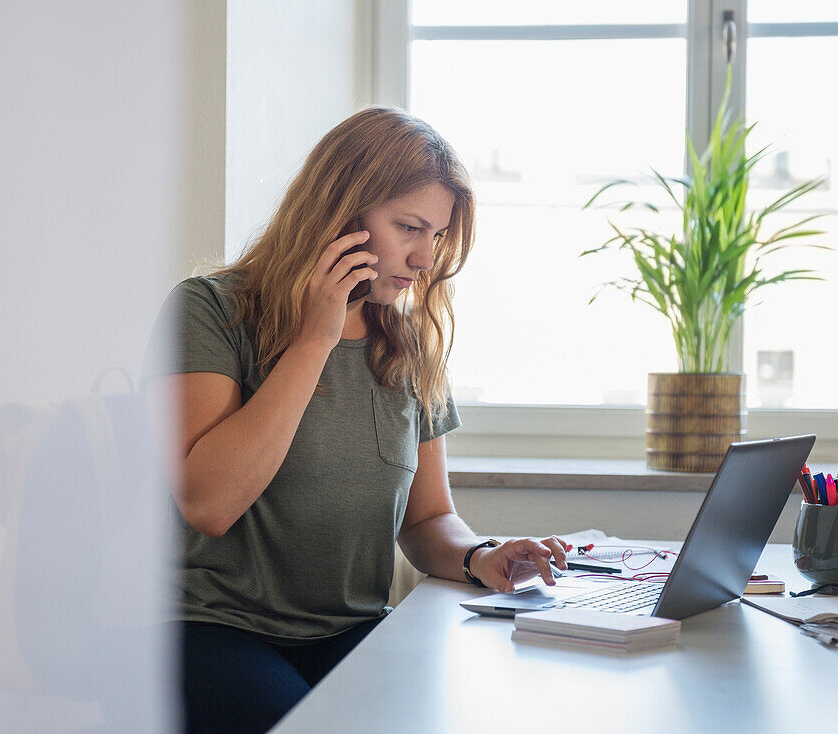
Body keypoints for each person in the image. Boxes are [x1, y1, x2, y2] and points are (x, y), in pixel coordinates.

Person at [143, 106, 568, 734]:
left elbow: (428, 519)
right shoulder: (208, 310)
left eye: (438, 235)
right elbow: (209, 503)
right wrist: (315, 339)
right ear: (340, 212)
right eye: (410, 228)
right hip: (208, 629)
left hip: (353, 629)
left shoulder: (409, 343)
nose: (426, 258)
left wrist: (482, 556)